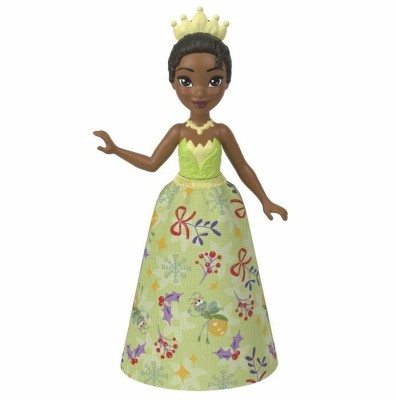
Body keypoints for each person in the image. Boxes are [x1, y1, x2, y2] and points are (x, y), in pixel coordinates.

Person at [93, 7, 287, 390]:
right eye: (187, 80)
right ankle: (167, 354)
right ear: (173, 82)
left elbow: (243, 167)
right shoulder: (178, 131)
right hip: (177, 215)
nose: (199, 92)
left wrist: (265, 199)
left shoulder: (222, 132)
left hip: (221, 214)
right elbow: (152, 163)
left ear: (226, 82)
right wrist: (116, 150)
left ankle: (229, 359)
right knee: (172, 278)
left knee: (224, 278)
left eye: (213, 81)